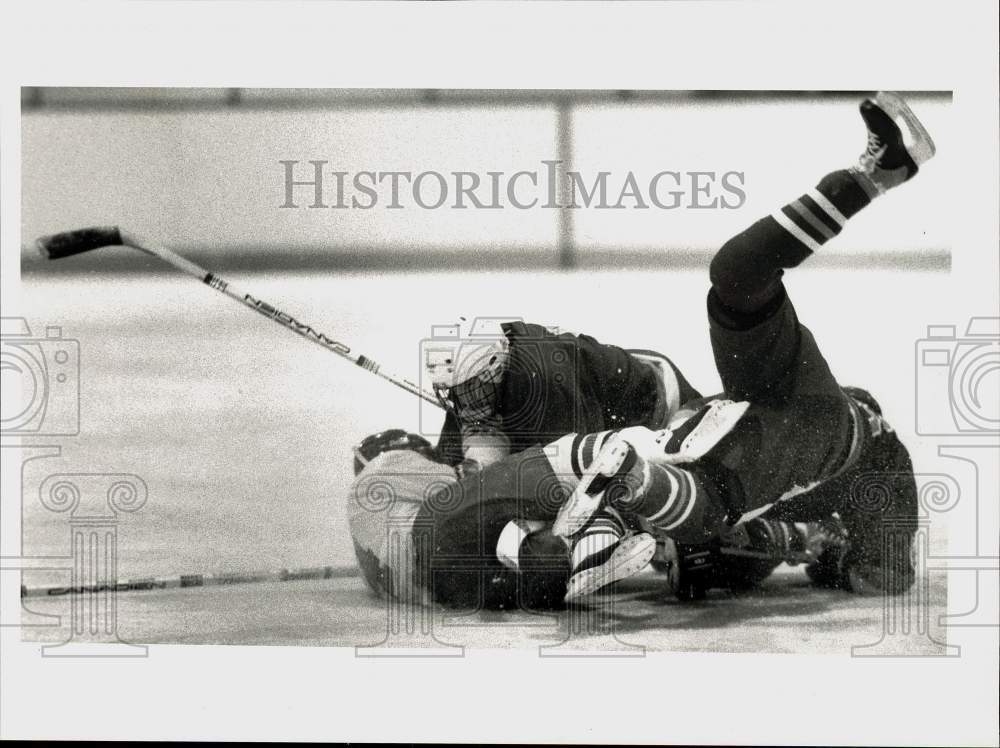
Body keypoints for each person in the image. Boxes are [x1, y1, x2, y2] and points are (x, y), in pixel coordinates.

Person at [554, 90, 934, 600]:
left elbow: (879, 574)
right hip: (802, 415)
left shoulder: (831, 488)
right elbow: (883, 572)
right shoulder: (870, 458)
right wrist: (829, 552)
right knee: (735, 274)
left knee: (735, 277)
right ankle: (877, 174)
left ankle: (881, 173)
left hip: (788, 426)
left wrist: (823, 553)